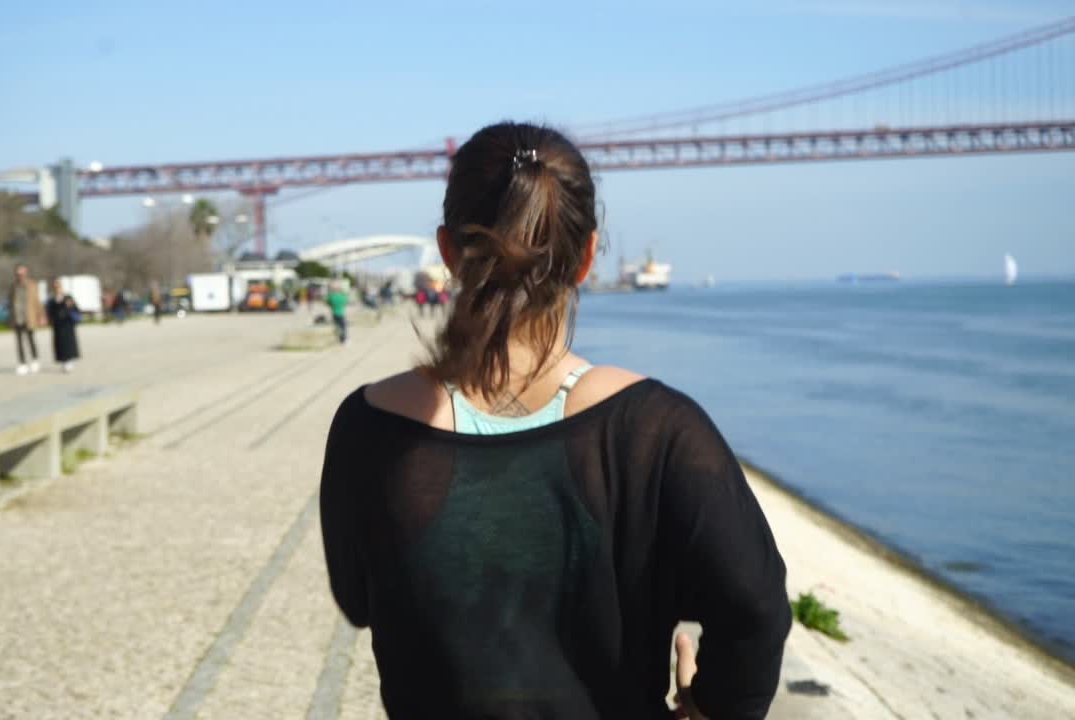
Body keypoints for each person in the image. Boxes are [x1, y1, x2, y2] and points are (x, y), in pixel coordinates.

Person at [320, 122, 790, 719]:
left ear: (446, 252)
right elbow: (755, 608)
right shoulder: (658, 430)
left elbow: (359, 600)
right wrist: (709, 707)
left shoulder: (368, 425)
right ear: (588, 255)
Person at [8, 264, 44, 375]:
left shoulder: (32, 285)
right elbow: (10, 302)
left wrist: (41, 315)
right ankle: (22, 363)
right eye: (18, 274)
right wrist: (10, 317)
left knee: (31, 340)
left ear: (26, 273)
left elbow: (37, 301)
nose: (20, 276)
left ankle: (35, 360)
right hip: (17, 317)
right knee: (19, 342)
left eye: (22, 273)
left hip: (29, 316)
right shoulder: (13, 286)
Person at [46, 279, 81, 373]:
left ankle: (69, 361)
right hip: (58, 325)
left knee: (68, 344)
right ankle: (63, 361)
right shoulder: (52, 299)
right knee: (60, 344)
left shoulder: (68, 298)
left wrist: (70, 306)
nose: (57, 288)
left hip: (67, 325)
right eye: (56, 287)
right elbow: (49, 312)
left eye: (59, 286)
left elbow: (76, 309)